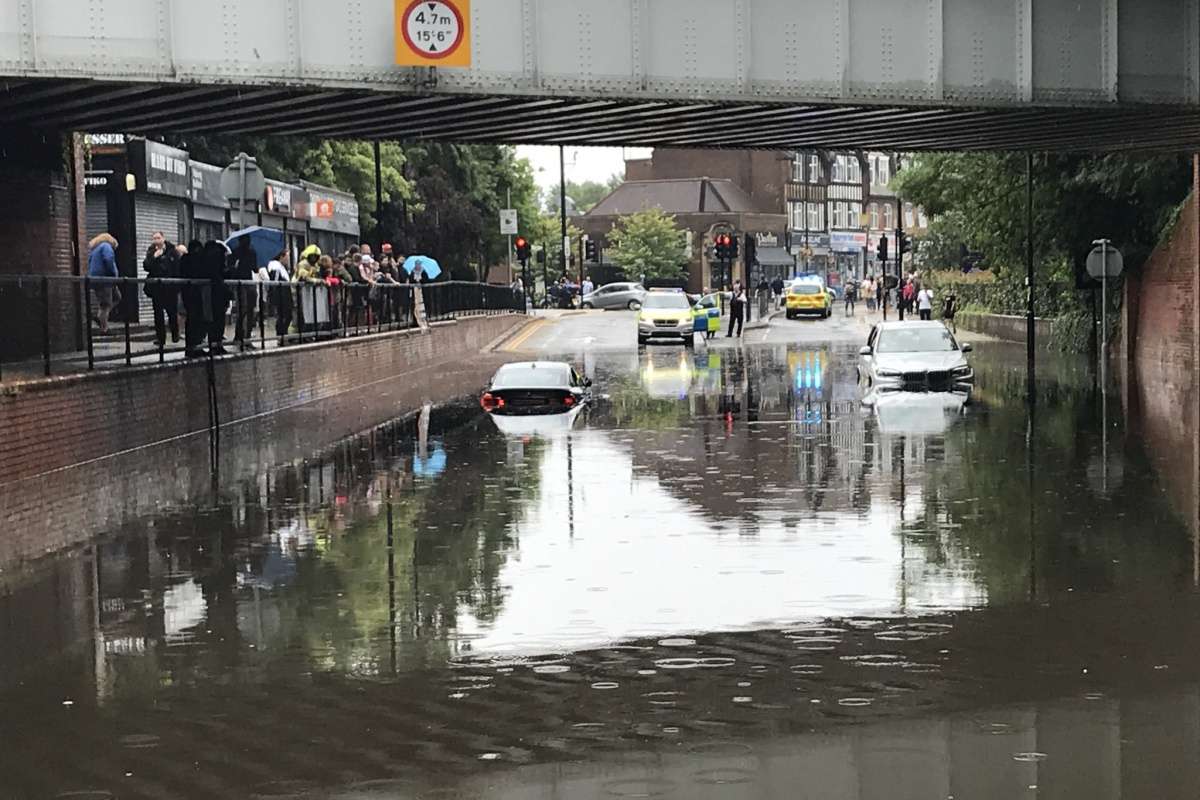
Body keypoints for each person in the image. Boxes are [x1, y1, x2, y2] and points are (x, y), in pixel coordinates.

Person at [143, 231, 181, 346]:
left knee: (172, 313)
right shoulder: (151, 251)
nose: (156, 240)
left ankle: (175, 334)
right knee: (158, 315)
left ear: (163, 238)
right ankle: (161, 339)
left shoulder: (172, 251)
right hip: (157, 289)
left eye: (158, 238)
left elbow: (177, 268)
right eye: (154, 238)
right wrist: (155, 257)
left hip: (170, 288)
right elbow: (146, 266)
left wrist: (177, 285)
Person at [87, 233, 120, 334]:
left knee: (116, 297)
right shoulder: (106, 246)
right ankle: (104, 328)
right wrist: (113, 273)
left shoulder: (95, 250)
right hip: (105, 279)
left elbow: (90, 262)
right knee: (106, 304)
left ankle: (100, 318)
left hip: (98, 279)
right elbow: (109, 259)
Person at [231, 237, 258, 350]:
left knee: (242, 311)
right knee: (248, 310)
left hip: (240, 283)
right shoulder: (251, 252)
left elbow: (232, 267)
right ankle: (245, 337)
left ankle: (239, 336)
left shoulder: (235, 251)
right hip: (247, 282)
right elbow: (255, 269)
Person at [266, 249, 292, 343]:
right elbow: (275, 281)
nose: (288, 259)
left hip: (284, 293)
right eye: (287, 257)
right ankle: (281, 336)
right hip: (281, 294)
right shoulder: (276, 266)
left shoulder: (282, 267)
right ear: (281, 256)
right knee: (283, 315)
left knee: (286, 315)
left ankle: (283, 335)